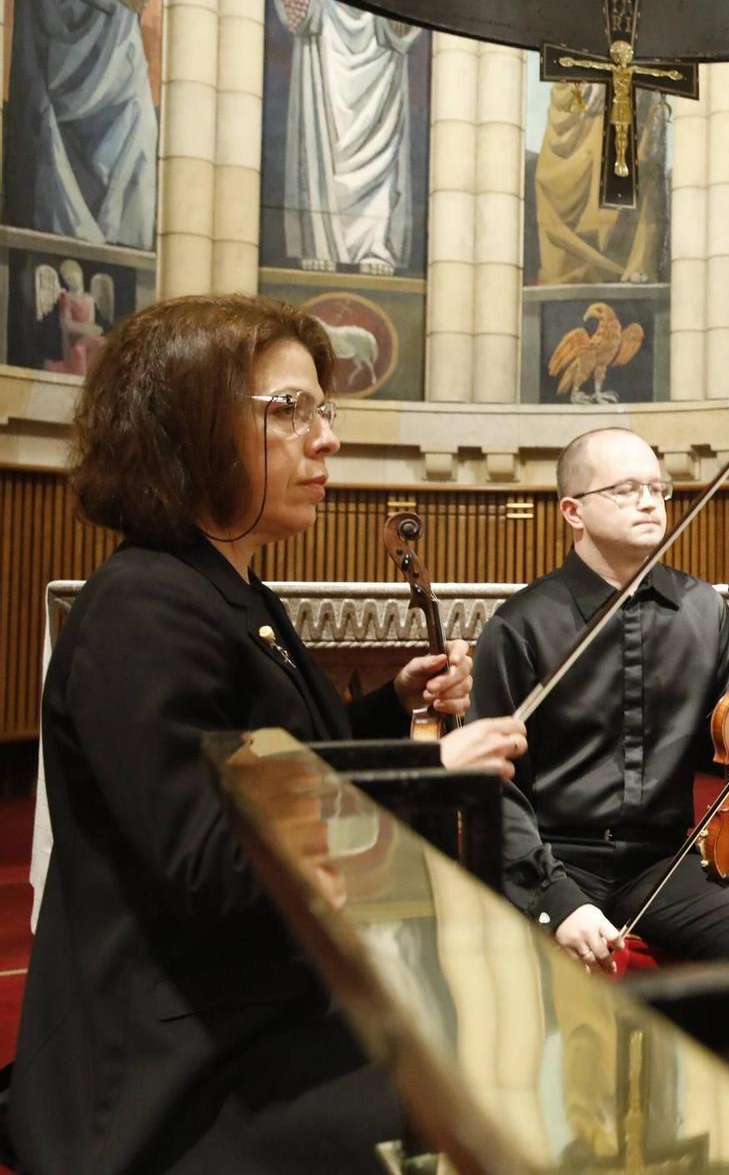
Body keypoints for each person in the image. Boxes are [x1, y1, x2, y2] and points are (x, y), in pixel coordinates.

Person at [8, 296, 527, 1173]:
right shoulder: (143, 606)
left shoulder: (231, 591)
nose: (325, 437)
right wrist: (427, 769)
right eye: (289, 411)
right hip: (173, 1063)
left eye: (324, 409)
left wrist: (385, 708)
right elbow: (214, 866)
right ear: (186, 429)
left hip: (251, 1004)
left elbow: (278, 759)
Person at [468, 427, 729, 1073]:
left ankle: (708, 1126)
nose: (650, 501)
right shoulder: (521, 624)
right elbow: (491, 789)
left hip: (654, 863)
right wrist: (556, 899)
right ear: (572, 509)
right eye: (626, 489)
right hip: (551, 852)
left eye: (657, 487)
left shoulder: (702, 611)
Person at [274, 0, 423, 274]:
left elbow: (402, 32)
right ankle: (321, 242)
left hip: (378, 76)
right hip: (325, 67)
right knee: (321, 149)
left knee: (383, 157)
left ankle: (377, 247)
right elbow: (298, 22)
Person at [4, 0, 158, 248]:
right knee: (50, 155)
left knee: (140, 122)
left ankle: (127, 250)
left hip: (112, 42)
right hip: (53, 40)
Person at [532, 0, 672, 285]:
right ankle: (568, 275)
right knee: (549, 174)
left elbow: (655, 34)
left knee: (635, 162)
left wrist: (609, 76)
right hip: (577, 90)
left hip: (629, 87)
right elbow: (554, 36)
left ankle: (635, 265)